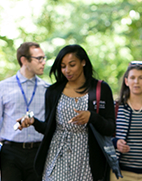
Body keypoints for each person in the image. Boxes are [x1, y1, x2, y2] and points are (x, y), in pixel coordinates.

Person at [18, 44, 116, 181]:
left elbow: (110, 128)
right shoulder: (53, 91)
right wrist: (34, 122)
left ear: (83, 62)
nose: (67, 70)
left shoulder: (101, 89)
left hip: (87, 159)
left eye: (72, 65)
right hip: (56, 155)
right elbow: (49, 128)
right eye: (63, 66)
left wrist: (91, 117)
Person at [0, 42, 49, 181]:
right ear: (24, 60)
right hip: (10, 153)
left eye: (44, 58)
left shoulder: (47, 89)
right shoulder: (3, 87)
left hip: (38, 152)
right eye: (39, 58)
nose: (43, 62)